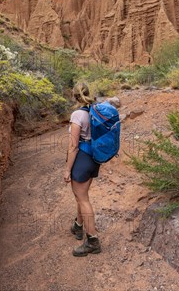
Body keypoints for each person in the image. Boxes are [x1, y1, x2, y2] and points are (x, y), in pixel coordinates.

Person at [64, 82, 101, 256]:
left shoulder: (77, 114)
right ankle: (78, 227)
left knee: (83, 199)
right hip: (93, 158)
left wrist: (67, 169)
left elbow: (73, 146)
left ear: (75, 96)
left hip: (81, 159)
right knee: (82, 195)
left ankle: (92, 240)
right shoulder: (94, 110)